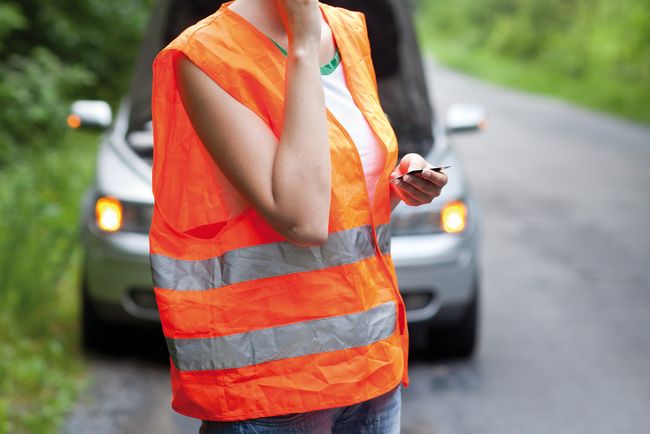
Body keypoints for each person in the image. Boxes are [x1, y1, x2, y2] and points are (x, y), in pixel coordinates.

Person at [148, 1, 448, 433]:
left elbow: (337, 191)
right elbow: (302, 220)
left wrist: (395, 186)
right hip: (273, 389)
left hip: (370, 371)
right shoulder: (206, 56)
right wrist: (304, 42)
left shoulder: (344, 30)